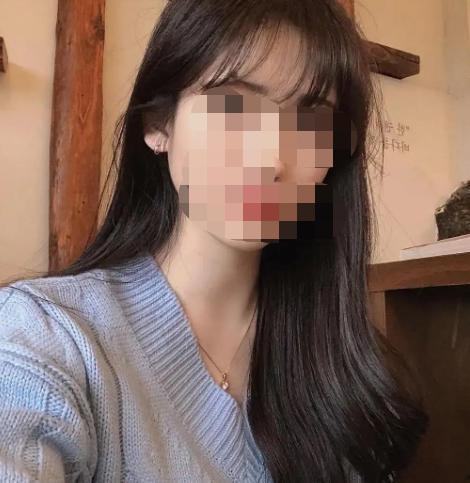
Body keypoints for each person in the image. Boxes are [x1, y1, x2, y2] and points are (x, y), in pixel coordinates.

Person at [0, 0, 428, 481]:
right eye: (232, 104)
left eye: (311, 118)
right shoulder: (46, 338)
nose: (271, 159)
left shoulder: (338, 364)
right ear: (158, 124)